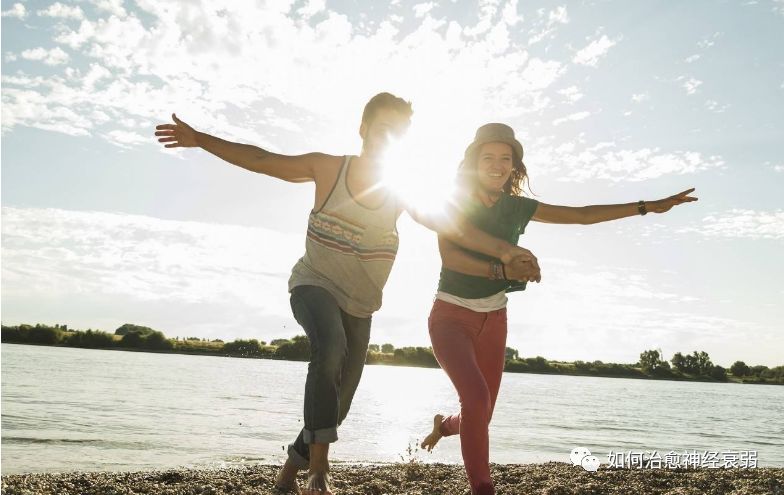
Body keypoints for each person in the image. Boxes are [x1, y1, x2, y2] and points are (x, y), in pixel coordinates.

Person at [154, 96, 541, 495]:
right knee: (331, 349)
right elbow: (263, 159)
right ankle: (318, 470)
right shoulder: (328, 168)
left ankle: (289, 470)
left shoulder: (400, 190)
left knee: (337, 406)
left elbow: (452, 226)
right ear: (363, 129)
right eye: (382, 131)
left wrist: (506, 252)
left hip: (360, 304)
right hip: (313, 285)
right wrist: (200, 138)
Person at [418, 123, 697, 495]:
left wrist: (646, 207)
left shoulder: (518, 207)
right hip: (450, 316)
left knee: (480, 413)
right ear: (472, 163)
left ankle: (445, 425)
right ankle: (483, 489)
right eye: (488, 158)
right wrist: (503, 268)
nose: (498, 165)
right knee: (477, 399)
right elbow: (450, 256)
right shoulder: (453, 202)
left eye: (506, 158)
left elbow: (581, 214)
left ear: (514, 166)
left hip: (494, 319)